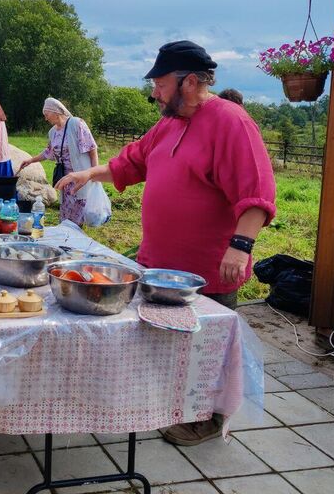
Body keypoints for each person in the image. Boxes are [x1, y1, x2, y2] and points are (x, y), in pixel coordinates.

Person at [57, 40, 276, 446]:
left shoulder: (232, 122)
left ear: (189, 82)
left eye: (159, 83)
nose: (154, 92)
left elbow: (258, 192)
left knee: (204, 348)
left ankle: (207, 419)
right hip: (159, 264)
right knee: (168, 342)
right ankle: (170, 403)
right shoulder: (169, 123)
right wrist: (89, 175)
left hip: (207, 269)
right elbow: (132, 161)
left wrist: (241, 246)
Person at [19, 97, 101, 226]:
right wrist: (31, 160)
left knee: (78, 213)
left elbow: (92, 148)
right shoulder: (52, 132)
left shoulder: (76, 124)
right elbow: (48, 152)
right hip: (65, 178)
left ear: (55, 112)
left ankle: (75, 238)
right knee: (66, 213)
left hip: (81, 176)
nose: (45, 118)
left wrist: (94, 172)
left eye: (46, 115)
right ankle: (66, 238)